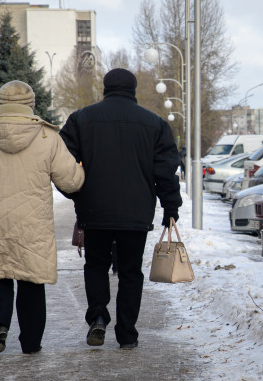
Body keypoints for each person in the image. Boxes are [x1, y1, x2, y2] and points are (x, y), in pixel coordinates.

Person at [0, 81, 85, 354]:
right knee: (31, 281)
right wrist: (81, 170)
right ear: (31, 104)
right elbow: (71, 181)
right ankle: (31, 342)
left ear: (0, 103)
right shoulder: (47, 136)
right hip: (32, 223)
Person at [59, 68, 182, 350]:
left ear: (105, 88)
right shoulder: (154, 123)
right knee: (130, 272)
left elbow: (61, 163)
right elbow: (166, 171)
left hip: (94, 210)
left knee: (96, 266)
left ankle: (98, 317)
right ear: (133, 89)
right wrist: (170, 206)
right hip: (136, 214)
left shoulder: (80, 119)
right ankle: (127, 333)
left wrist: (75, 194)